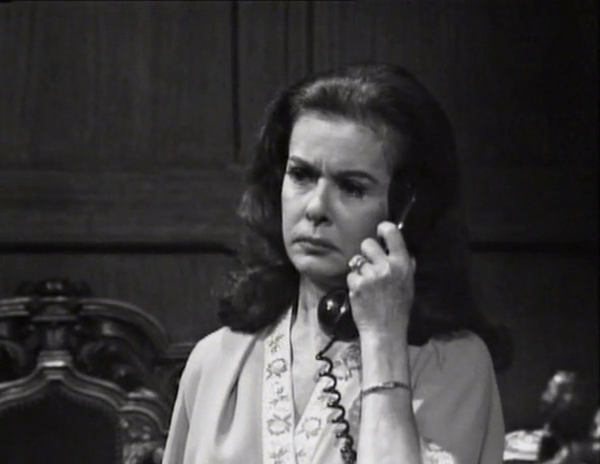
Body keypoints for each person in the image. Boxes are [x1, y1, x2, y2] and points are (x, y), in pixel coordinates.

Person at [162, 62, 505, 463]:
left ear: (409, 211)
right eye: (301, 175)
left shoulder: (455, 365)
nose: (316, 208)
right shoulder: (215, 361)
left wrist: (383, 343)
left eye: (351, 187)